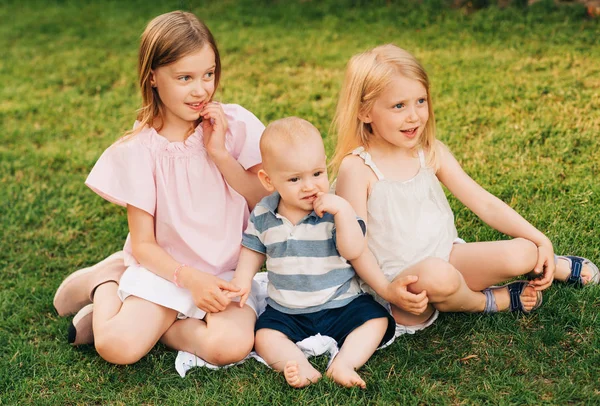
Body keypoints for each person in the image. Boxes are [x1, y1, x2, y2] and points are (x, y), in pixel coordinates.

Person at [52, 11, 270, 365]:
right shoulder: (140, 150)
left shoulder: (235, 126)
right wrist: (189, 281)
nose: (201, 90)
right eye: (184, 78)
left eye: (208, 74)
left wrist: (219, 154)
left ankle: (152, 319)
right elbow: (145, 245)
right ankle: (107, 284)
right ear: (153, 77)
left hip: (228, 273)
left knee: (228, 347)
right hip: (168, 270)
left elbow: (264, 203)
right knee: (118, 349)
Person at [330, 44, 598, 330]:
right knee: (439, 276)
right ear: (365, 111)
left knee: (522, 250)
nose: (414, 116)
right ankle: (490, 301)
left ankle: (548, 262)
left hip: (449, 256)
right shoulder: (357, 169)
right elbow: (355, 249)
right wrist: (386, 290)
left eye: (420, 101)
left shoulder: (429, 151)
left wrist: (540, 239)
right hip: (400, 285)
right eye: (399, 106)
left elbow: (484, 203)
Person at [229, 117, 395, 388]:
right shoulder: (264, 213)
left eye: (317, 173)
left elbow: (354, 249)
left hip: (341, 303)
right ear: (268, 180)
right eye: (295, 179)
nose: (310, 186)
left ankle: (345, 362)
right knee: (265, 337)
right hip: (287, 309)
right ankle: (297, 364)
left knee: (375, 320)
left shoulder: (334, 209)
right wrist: (242, 279)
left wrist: (341, 212)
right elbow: (252, 249)